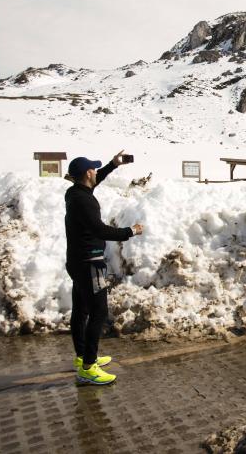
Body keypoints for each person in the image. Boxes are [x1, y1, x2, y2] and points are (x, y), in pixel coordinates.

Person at [65, 150, 143, 385]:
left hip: (78, 262)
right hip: (90, 264)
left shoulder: (76, 193)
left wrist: (113, 165)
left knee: (81, 311)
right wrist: (131, 231)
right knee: (98, 312)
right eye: (94, 169)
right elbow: (100, 230)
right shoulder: (84, 200)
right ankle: (88, 367)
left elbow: (95, 181)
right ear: (88, 173)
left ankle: (82, 358)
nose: (96, 173)